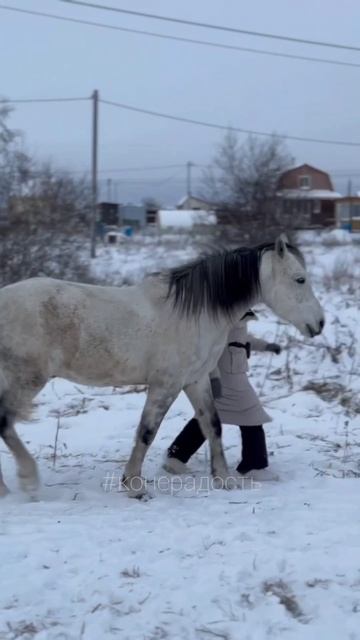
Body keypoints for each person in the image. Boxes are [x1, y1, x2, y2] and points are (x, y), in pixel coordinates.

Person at [163, 311, 281, 479]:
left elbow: (242, 339)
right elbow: (211, 344)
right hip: (228, 377)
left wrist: (265, 346)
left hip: (233, 374)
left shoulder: (237, 314)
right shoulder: (223, 314)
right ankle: (254, 466)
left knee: (210, 416)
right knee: (252, 417)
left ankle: (176, 456)